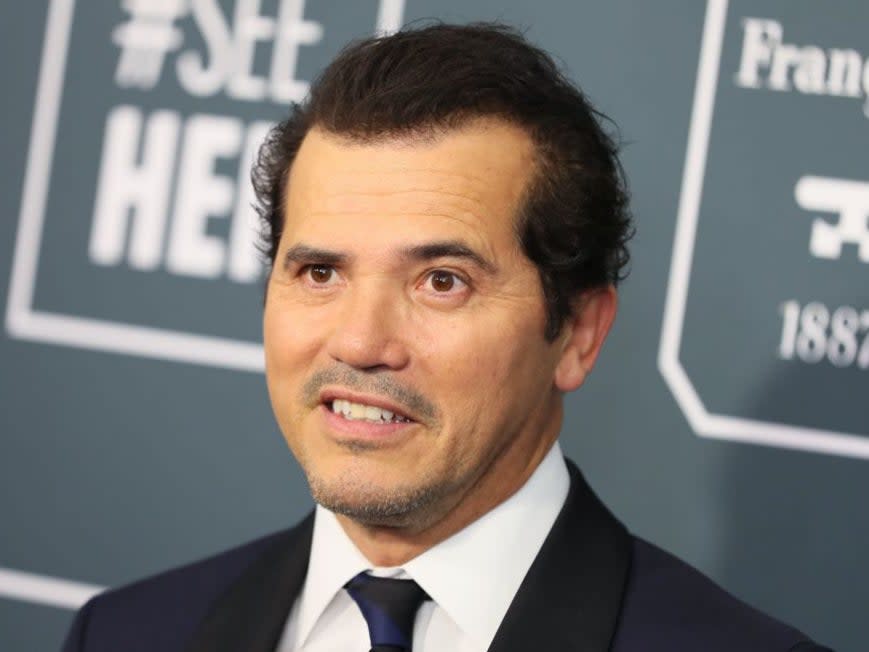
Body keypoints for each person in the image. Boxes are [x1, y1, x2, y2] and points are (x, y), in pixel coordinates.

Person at [61, 22, 830, 652]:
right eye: (321, 273)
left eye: (441, 282)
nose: (360, 343)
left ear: (577, 335)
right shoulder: (126, 633)